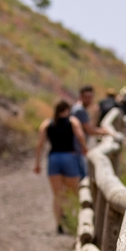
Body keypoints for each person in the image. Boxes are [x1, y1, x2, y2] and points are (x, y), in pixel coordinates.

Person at [34, 100, 87, 234]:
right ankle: (70, 218)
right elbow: (80, 136)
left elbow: (40, 144)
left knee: (57, 195)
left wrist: (37, 163)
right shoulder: (73, 121)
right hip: (69, 157)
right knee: (72, 192)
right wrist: (85, 148)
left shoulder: (47, 123)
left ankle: (59, 224)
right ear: (67, 109)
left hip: (54, 158)